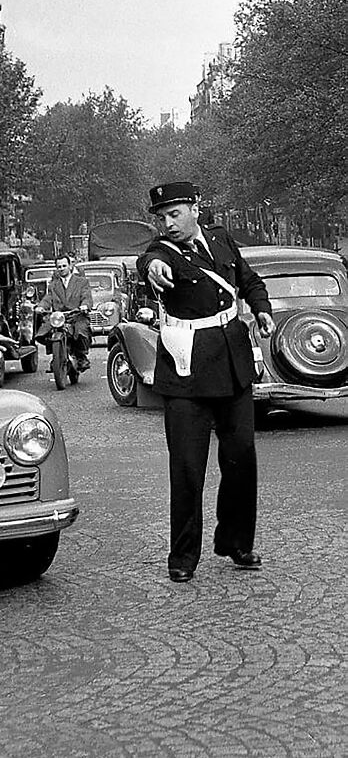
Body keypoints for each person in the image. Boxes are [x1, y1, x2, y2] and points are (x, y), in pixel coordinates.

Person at [137, 181, 275, 583]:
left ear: (196, 209)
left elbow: (249, 282)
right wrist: (154, 268)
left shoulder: (221, 240)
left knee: (241, 458)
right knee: (186, 467)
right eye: (162, 217)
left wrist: (261, 309)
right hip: (187, 372)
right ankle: (182, 556)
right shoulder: (163, 251)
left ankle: (235, 541)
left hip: (232, 366)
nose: (168, 223)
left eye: (175, 214)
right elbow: (151, 263)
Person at [35, 253, 93, 371]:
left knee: (81, 330)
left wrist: (84, 306)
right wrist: (41, 307)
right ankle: (56, 357)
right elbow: (48, 298)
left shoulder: (82, 282)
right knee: (43, 332)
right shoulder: (53, 285)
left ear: (70, 266)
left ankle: (81, 356)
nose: (62, 269)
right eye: (59, 267)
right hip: (59, 317)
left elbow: (86, 296)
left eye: (64, 266)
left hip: (77, 315)